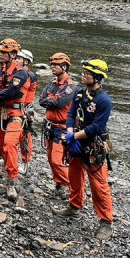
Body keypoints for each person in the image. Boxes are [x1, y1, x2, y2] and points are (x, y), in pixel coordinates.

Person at [54, 59, 114, 241]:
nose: (83, 75)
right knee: (74, 175)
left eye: (87, 73)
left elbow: (97, 126)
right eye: (84, 72)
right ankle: (74, 206)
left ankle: (106, 222)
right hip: (77, 142)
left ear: (97, 77)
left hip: (93, 146)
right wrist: (70, 132)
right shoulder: (80, 93)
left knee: (99, 185)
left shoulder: (104, 100)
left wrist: (75, 136)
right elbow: (71, 114)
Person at [0, 38, 30, 201]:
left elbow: (11, 92)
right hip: (2, 112)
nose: (1, 54)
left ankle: (12, 179)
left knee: (10, 144)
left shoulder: (20, 72)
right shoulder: (0, 71)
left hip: (16, 114)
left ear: (12, 54)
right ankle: (9, 169)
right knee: (4, 148)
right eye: (1, 52)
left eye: (4, 52)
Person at [39, 52, 76, 198]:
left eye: (56, 65)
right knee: (50, 159)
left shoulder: (71, 87)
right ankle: (59, 184)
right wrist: (52, 101)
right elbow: (42, 101)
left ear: (65, 66)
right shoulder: (52, 84)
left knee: (57, 160)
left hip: (62, 128)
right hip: (50, 126)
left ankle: (70, 188)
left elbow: (60, 103)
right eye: (52, 65)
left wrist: (51, 101)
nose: (52, 67)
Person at [17, 49, 39, 169]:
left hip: (25, 108)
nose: (17, 60)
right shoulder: (18, 72)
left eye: (20, 58)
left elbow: (29, 95)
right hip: (17, 107)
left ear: (26, 61)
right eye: (17, 58)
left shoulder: (30, 76)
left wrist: (25, 108)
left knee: (25, 136)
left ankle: (26, 162)